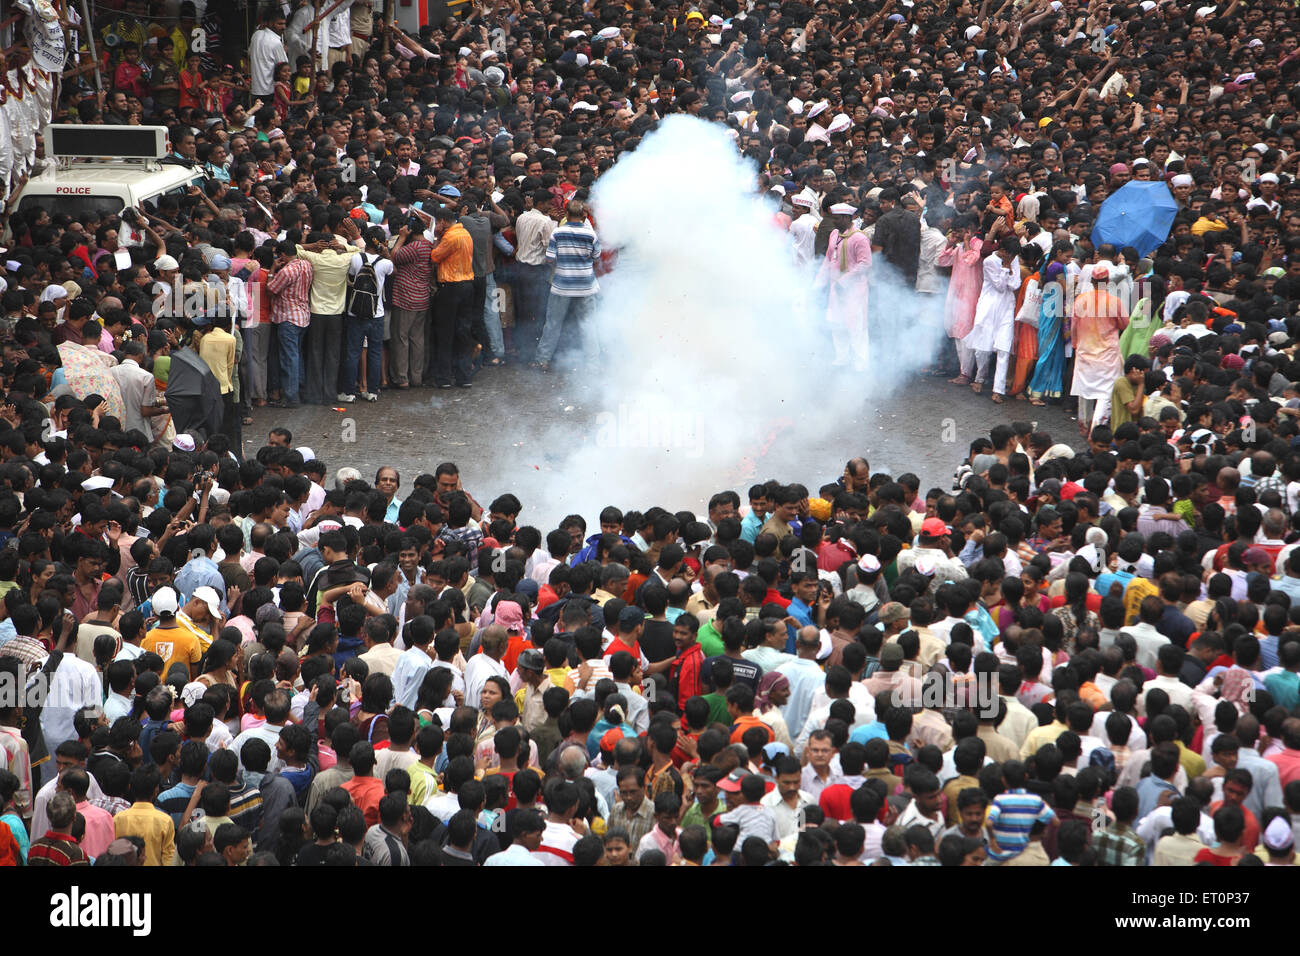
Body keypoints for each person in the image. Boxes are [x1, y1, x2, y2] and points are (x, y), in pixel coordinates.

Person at [533, 200, 601, 374]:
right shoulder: (591, 234)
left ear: (567, 214)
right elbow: (596, 256)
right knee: (589, 325)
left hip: (562, 285)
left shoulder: (557, 233)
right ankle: (594, 365)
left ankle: (543, 360)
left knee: (553, 323)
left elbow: (549, 258)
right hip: (586, 285)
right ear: (583, 215)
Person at [816, 202, 872, 370]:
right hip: (836, 287)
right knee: (837, 323)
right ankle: (842, 358)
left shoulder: (859, 238)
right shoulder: (834, 234)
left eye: (838, 218)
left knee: (856, 325)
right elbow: (828, 259)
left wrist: (845, 280)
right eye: (834, 218)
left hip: (854, 289)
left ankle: (861, 363)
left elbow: (865, 264)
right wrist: (818, 284)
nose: (835, 222)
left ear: (848, 218)